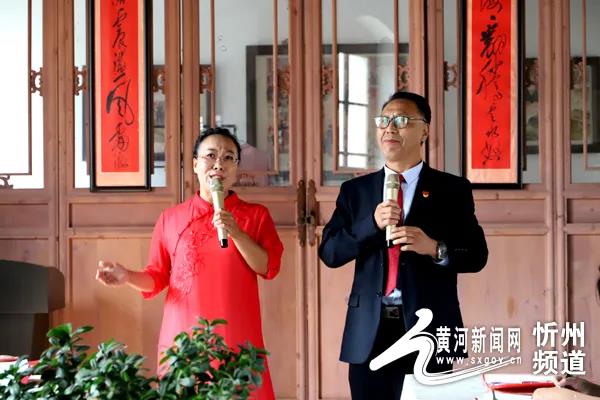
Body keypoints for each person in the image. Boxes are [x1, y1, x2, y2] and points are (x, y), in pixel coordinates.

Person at [318, 91, 488, 399]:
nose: (389, 128)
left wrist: (435, 248)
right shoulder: (356, 191)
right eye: (384, 120)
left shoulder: (452, 189)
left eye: (401, 120)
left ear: (424, 131)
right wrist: (371, 224)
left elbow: (477, 255)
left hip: (429, 330)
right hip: (369, 331)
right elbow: (330, 253)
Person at [96, 127, 284, 400]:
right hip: (184, 337)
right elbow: (157, 276)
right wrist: (127, 276)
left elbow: (267, 267)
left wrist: (236, 233)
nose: (219, 164)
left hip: (237, 332)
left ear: (236, 168)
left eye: (228, 158)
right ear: (195, 164)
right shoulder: (171, 218)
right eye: (211, 156)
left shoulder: (256, 216)